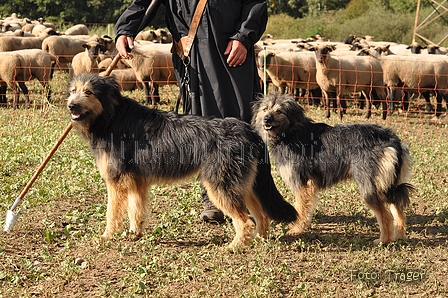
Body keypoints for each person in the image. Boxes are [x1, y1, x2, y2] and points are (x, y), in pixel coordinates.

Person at [114, 0, 268, 223]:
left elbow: (256, 3)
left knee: (240, 124)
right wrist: (125, 30)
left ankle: (258, 198)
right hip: (191, 57)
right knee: (201, 127)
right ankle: (214, 200)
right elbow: (144, 3)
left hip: (230, 53)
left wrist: (243, 37)